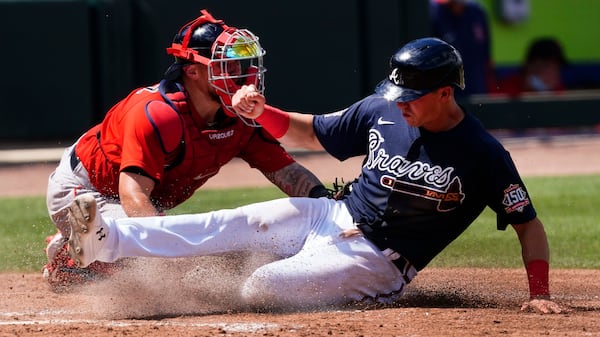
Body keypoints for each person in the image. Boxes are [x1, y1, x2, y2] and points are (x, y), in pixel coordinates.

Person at [64, 37, 562, 314]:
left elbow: (528, 225)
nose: (400, 105)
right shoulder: (382, 110)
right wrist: (261, 111)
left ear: (445, 94)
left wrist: (539, 295)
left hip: (380, 260)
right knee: (234, 222)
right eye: (397, 95)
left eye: (410, 97)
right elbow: (309, 133)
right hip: (331, 212)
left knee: (262, 288)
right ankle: (105, 238)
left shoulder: (483, 154)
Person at [43, 9, 328, 290]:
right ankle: (74, 256)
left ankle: (95, 249)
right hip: (85, 194)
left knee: (225, 253)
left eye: (242, 66)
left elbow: (286, 173)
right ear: (192, 70)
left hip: (136, 196)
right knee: (176, 267)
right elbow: (133, 196)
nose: (242, 76)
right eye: (226, 67)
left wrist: (328, 204)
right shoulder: (159, 113)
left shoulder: (240, 115)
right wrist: (169, 258)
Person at [430, 0, 495, 97]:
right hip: (446, 94)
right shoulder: (433, 11)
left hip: (477, 90)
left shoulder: (477, 11)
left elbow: (486, 57)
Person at [498, 37, 568, 96]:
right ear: (529, 65)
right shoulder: (507, 88)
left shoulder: (558, 90)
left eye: (556, 68)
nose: (551, 74)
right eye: (546, 66)